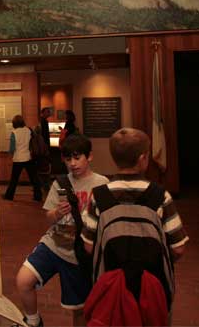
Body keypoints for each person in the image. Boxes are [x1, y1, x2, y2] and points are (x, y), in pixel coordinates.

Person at [80, 128, 188, 316]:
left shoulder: (99, 196)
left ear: (114, 158)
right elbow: (178, 248)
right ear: (142, 159)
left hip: (111, 287)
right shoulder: (161, 196)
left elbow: (89, 246)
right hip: (153, 286)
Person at [14, 134, 108, 327]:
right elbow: (48, 215)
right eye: (68, 159)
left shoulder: (101, 183)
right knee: (23, 281)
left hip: (79, 254)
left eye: (77, 157)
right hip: (53, 244)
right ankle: (33, 321)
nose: (72, 163)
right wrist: (57, 212)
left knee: (79, 309)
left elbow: (107, 220)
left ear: (89, 157)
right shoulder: (60, 183)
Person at [2, 115, 43, 202]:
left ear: (14, 123)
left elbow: (12, 148)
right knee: (34, 178)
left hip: (18, 159)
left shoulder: (14, 133)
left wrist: (10, 156)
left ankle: (9, 196)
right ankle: (38, 196)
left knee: (14, 179)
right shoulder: (28, 130)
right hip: (28, 157)